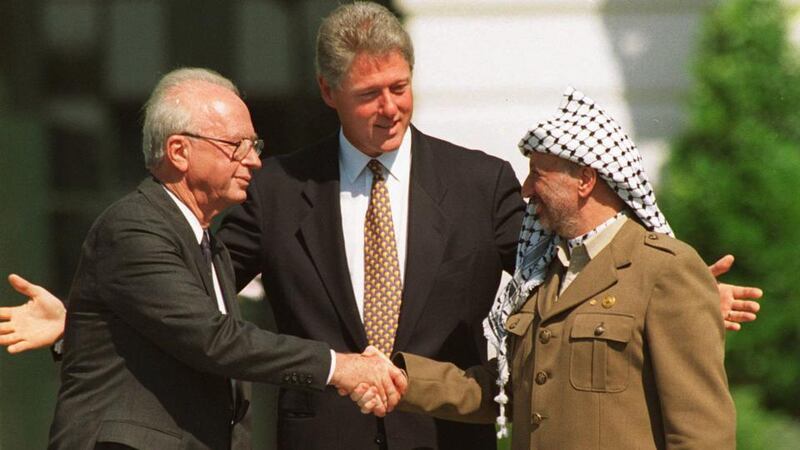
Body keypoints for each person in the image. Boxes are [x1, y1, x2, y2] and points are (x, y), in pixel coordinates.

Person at [0, 2, 760, 450]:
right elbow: (200, 306)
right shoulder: (278, 188)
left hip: (445, 437)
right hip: (321, 439)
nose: (390, 106)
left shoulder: (480, 180)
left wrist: (669, 295)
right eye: (369, 94)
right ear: (329, 92)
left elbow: (555, 267)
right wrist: (87, 320)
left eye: (401, 87)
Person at [39, 67, 405, 450]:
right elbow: (214, 340)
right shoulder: (133, 228)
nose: (254, 161)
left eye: (255, 146)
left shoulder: (209, 244)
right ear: (179, 151)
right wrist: (339, 367)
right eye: (237, 146)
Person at [356, 88, 737, 449]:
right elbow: (505, 389)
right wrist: (403, 381)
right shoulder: (543, 274)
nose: (525, 189)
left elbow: (701, 432)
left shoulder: (665, 271)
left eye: (538, 173)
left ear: (585, 180)